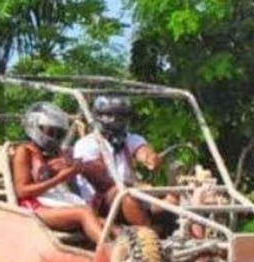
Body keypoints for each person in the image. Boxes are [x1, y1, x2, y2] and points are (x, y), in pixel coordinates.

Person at [10, 102, 106, 245]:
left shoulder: (57, 152)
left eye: (58, 133)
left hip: (59, 203)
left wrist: (80, 168)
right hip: (35, 208)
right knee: (84, 212)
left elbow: (86, 170)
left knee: (108, 224)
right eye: (50, 131)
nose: (54, 137)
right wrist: (60, 177)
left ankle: (137, 252)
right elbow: (22, 191)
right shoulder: (24, 152)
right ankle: (110, 252)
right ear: (34, 126)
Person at [71, 95, 162, 226]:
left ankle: (182, 234)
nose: (118, 121)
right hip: (100, 202)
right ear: (100, 117)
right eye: (113, 116)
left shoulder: (130, 138)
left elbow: (142, 150)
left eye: (122, 116)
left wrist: (150, 158)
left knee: (172, 196)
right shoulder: (87, 144)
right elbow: (101, 182)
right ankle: (148, 237)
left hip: (131, 194)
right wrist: (136, 187)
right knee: (126, 194)